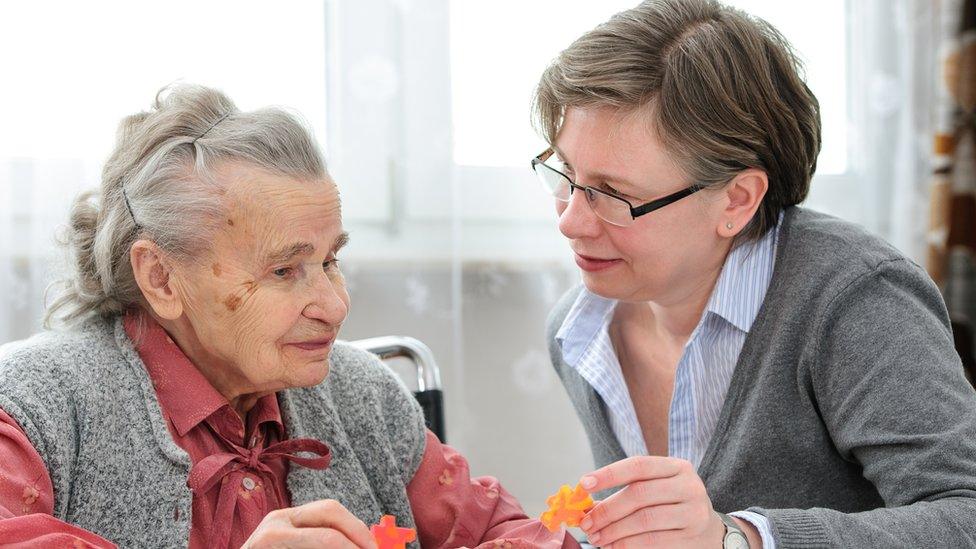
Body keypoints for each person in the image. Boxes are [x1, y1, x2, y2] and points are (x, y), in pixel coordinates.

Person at [0, 84, 578, 549]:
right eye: (284, 271)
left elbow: (500, 532)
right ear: (161, 277)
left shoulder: (363, 396)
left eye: (331, 260)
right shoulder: (29, 408)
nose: (333, 305)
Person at [532, 1, 976, 547]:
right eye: (566, 174)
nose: (571, 222)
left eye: (615, 195)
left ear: (737, 201)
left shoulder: (857, 301)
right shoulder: (577, 334)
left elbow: (964, 515)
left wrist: (740, 538)